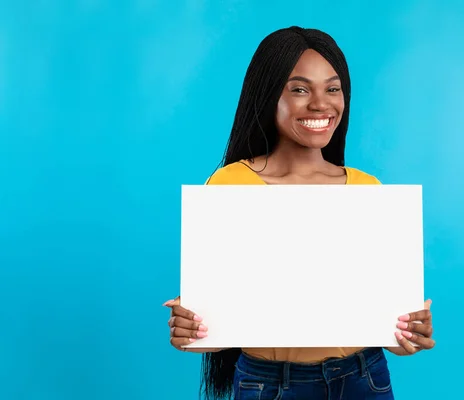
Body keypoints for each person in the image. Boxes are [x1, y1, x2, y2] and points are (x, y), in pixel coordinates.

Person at [164, 26, 435, 400]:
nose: (321, 104)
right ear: (268, 95)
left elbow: (386, 330)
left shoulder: (368, 190)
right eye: (300, 89)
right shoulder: (230, 185)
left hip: (364, 378)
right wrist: (191, 330)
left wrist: (408, 333)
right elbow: (213, 333)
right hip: (268, 383)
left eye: (333, 88)